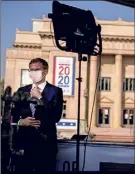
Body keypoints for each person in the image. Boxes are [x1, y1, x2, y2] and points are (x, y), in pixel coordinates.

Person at [11, 58, 63, 172]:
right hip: (24, 145)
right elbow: (12, 115)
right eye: (31, 70)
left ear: (45, 71)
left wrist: (40, 98)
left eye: (37, 69)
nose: (33, 72)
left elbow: (56, 116)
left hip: (45, 146)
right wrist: (21, 122)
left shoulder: (55, 91)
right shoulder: (21, 90)